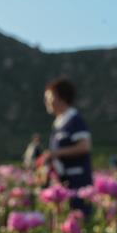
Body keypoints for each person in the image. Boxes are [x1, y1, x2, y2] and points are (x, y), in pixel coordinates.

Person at [37, 78, 93, 215]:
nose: (46, 102)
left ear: (61, 98)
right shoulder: (59, 123)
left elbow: (84, 146)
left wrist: (55, 153)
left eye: (49, 98)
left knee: (79, 217)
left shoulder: (74, 120)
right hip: (64, 180)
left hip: (77, 181)